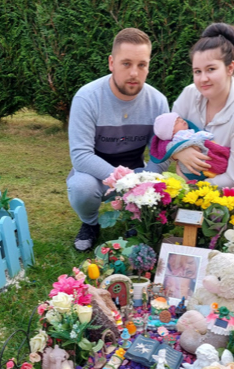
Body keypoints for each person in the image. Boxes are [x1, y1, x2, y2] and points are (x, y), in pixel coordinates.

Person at [67, 28, 169, 252]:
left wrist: (144, 183)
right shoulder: (87, 98)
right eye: (126, 64)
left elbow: (160, 154)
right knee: (81, 187)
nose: (134, 72)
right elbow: (81, 156)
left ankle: (136, 218)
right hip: (95, 174)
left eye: (141, 65)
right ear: (111, 63)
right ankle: (90, 224)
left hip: (137, 171)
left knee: (160, 181)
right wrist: (126, 182)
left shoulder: (158, 101)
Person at [171, 23, 234, 196]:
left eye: (211, 69)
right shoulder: (189, 94)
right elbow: (166, 133)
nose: (203, 79)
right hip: (187, 185)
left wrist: (194, 191)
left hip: (233, 192)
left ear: (230, 68)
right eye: (197, 71)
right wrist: (179, 151)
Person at [150, 111, 230, 181]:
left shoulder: (188, 132)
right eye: (176, 122)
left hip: (199, 160)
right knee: (214, 162)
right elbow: (178, 145)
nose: (181, 120)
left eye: (180, 118)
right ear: (171, 132)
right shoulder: (179, 136)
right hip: (194, 167)